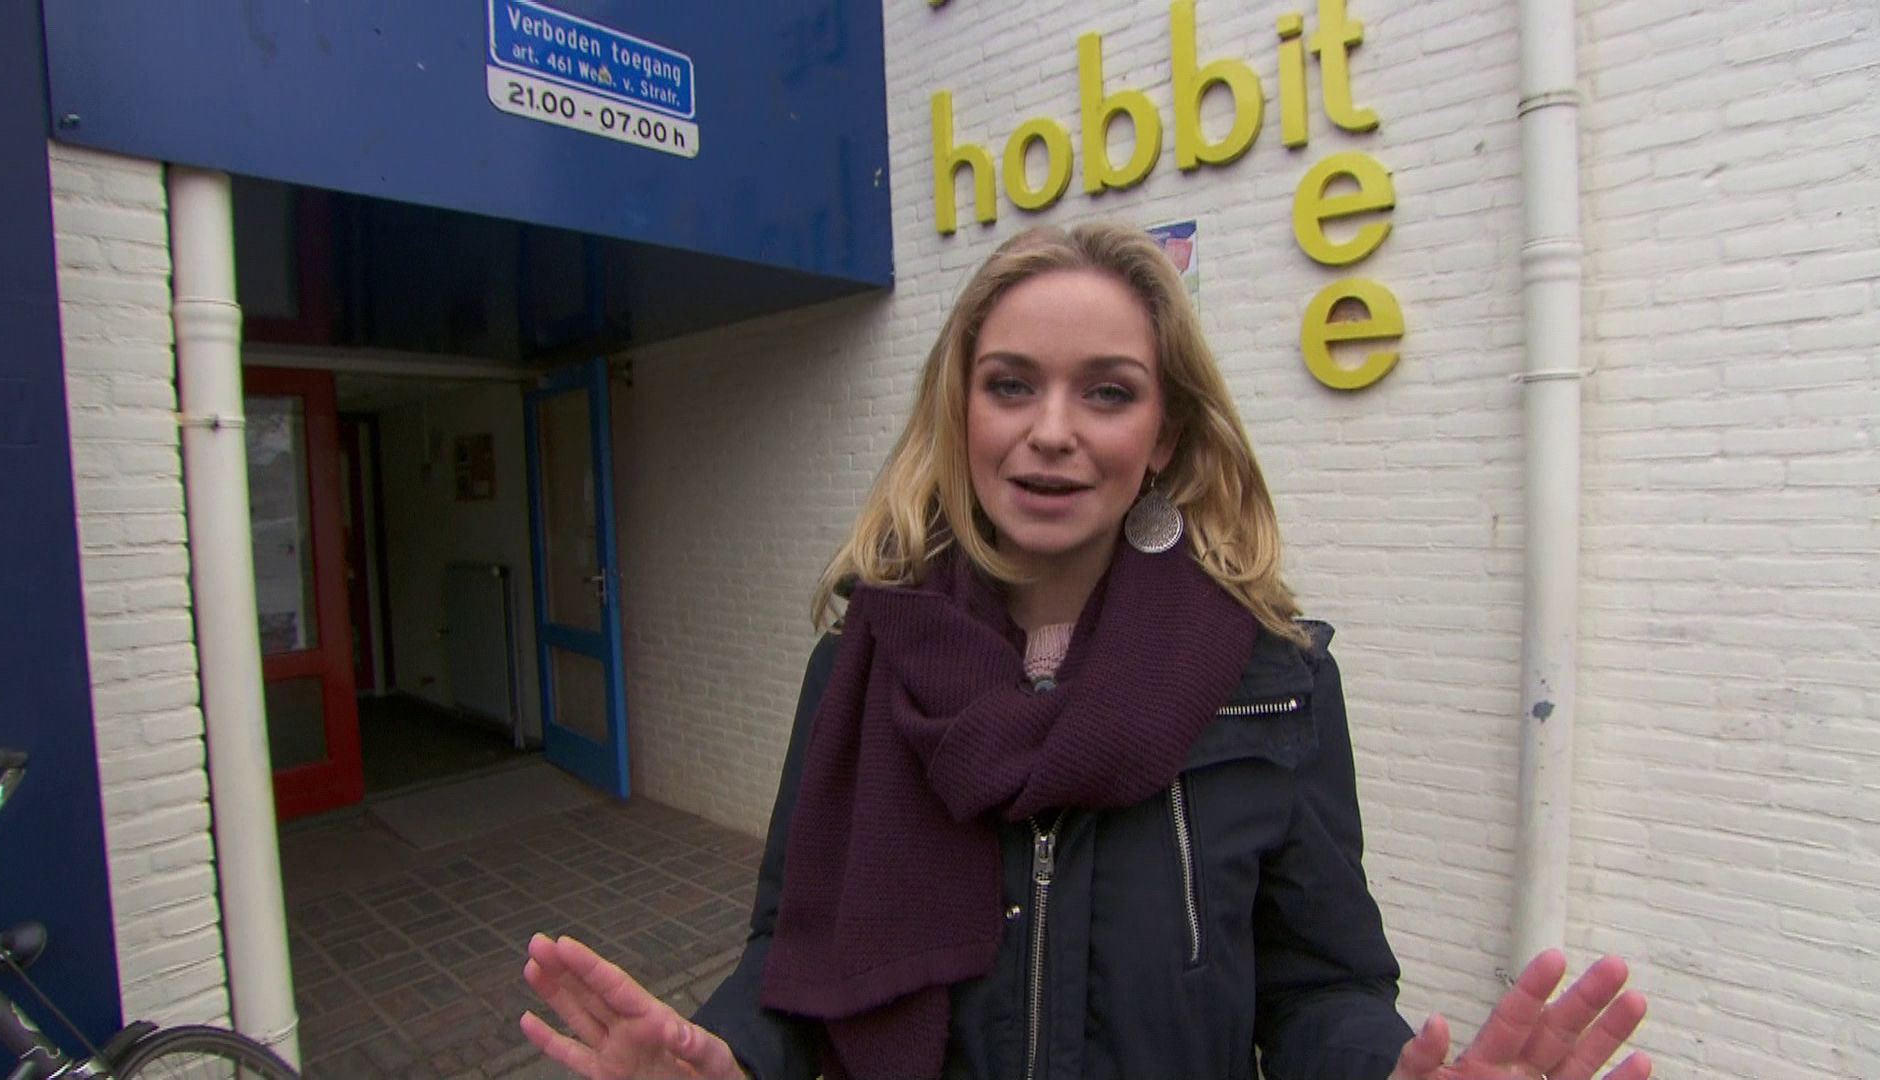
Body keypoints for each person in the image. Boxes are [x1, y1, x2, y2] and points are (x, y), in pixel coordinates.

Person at [517, 222, 1652, 1080]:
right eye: (1011, 385)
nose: (1051, 432)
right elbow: (796, 951)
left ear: (1162, 436)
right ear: (961, 413)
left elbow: (1320, 986)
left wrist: (1388, 1071)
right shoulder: (862, 663)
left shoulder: (1274, 681)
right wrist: (727, 1058)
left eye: (1108, 392)